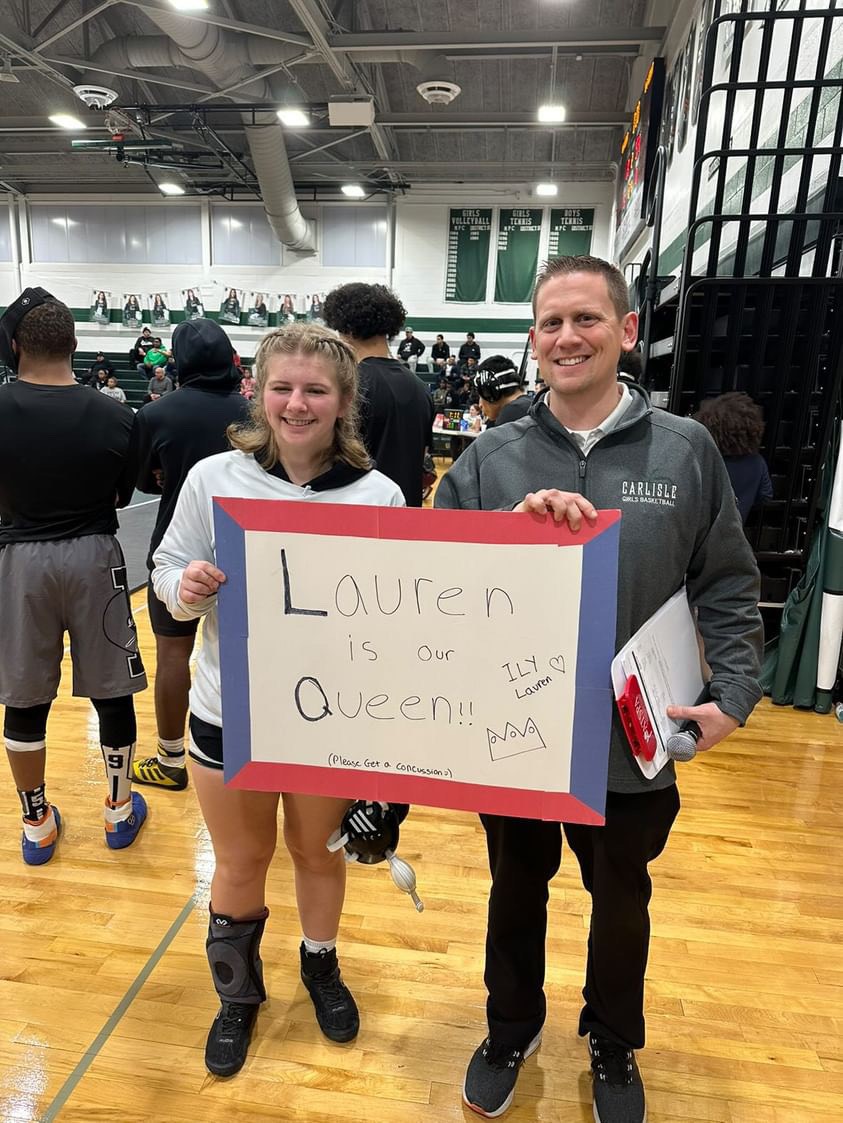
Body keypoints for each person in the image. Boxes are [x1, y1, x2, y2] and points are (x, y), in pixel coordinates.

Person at [435, 255, 763, 1123]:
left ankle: (613, 1037)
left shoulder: (685, 449)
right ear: (532, 340)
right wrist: (503, 541)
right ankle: (510, 1025)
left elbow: (726, 581)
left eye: (585, 319)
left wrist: (733, 695)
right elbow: (430, 583)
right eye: (549, 322)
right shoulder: (490, 456)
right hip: (512, 734)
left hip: (631, 739)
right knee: (514, 891)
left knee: (622, 901)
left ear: (624, 330)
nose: (565, 337)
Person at [150, 323, 404, 1077]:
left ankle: (319, 965)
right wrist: (184, 586)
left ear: (343, 400)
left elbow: (403, 625)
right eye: (282, 386)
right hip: (232, 711)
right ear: (256, 391)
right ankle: (237, 994)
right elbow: (166, 569)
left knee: (315, 855)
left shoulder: (379, 494)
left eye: (316, 389)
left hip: (330, 720)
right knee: (240, 858)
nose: (297, 403)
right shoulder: (213, 478)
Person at [0, 288, 148, 865]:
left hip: (19, 561)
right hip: (93, 555)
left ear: (15, 346)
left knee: (23, 694)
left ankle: (36, 822)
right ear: (76, 345)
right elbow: (123, 492)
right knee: (111, 687)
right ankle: (117, 811)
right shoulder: (117, 414)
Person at [129, 318, 251, 794]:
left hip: (179, 552)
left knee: (173, 655)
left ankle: (171, 758)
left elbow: (142, 481)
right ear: (231, 359)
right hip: (245, 550)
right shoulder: (256, 411)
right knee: (247, 652)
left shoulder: (157, 414)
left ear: (178, 363)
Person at [323, 283, 435, 507]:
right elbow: (423, 456)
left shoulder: (349, 386)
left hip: (360, 515)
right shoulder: (422, 389)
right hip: (407, 514)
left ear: (348, 331)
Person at [693, 392, 773, 523]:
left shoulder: (705, 458)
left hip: (700, 532)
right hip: (735, 532)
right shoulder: (757, 462)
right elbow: (765, 496)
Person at [473, 355, 532, 428]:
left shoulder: (511, 414)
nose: (480, 405)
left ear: (489, 393)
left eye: (481, 396)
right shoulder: (531, 405)